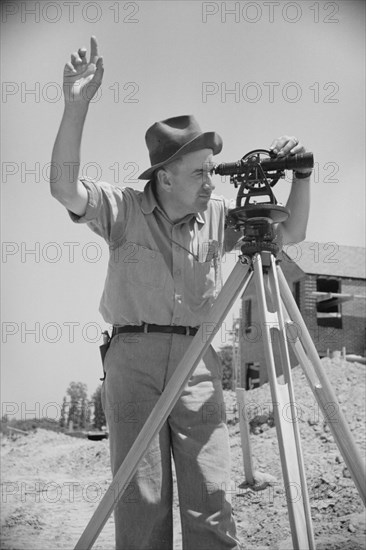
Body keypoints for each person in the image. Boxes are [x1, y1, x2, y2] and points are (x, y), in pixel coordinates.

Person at [50, 37, 311, 550]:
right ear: (164, 178)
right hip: (134, 361)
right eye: (201, 172)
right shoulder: (122, 208)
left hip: (199, 361)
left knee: (211, 498)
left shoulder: (218, 215)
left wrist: (302, 174)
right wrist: (75, 105)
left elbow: (292, 234)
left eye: (214, 170)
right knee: (142, 503)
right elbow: (64, 188)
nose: (213, 182)